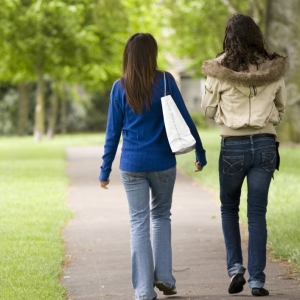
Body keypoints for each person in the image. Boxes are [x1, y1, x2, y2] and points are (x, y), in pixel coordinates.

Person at [99, 33, 207, 300]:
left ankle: (145, 291)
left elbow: (112, 133)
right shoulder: (166, 82)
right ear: (153, 54)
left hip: (132, 165)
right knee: (161, 216)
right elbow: (185, 119)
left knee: (138, 223)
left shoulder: (119, 87)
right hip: (162, 164)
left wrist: (104, 171)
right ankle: (165, 277)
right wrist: (200, 151)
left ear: (128, 56)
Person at [201, 13, 287, 297]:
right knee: (257, 213)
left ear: (229, 36)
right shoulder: (273, 67)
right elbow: (281, 108)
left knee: (228, 209)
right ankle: (258, 281)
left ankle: (236, 268)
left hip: (233, 147)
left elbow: (208, 110)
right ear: (256, 35)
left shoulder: (218, 69)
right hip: (264, 145)